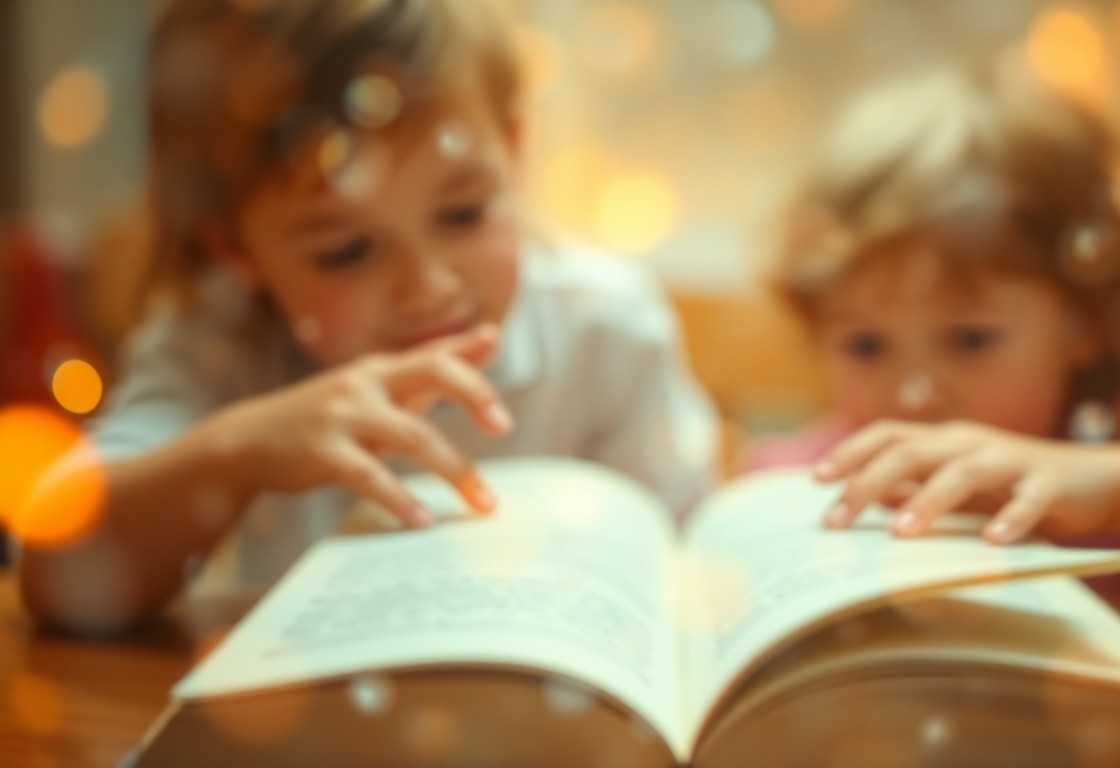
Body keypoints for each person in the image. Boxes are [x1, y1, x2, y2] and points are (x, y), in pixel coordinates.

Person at [17, 0, 717, 633]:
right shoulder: (219, 344)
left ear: (513, 151)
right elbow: (57, 576)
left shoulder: (607, 330)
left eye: (464, 213)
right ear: (236, 249)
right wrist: (242, 449)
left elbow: (688, 581)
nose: (429, 287)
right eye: (345, 251)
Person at [748, 64, 1120, 618]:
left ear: (1083, 322)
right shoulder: (805, 476)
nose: (914, 394)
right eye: (865, 347)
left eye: (970, 339)